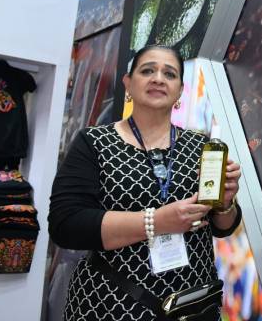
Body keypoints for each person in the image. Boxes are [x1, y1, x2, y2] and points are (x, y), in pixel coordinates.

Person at [49, 45, 242, 320]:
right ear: (128, 83)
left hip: (192, 304)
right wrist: (156, 222)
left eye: (169, 74)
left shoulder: (201, 146)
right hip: (113, 302)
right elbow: (66, 224)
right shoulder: (94, 142)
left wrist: (225, 204)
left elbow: (223, 227)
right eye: (148, 70)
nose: (158, 79)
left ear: (180, 90)